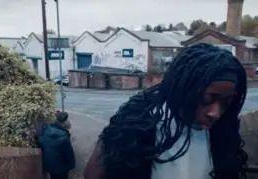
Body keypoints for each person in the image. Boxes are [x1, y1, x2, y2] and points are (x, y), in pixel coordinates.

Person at [84, 43, 248, 179]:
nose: (215, 113)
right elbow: (93, 174)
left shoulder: (223, 132)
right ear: (185, 89)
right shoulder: (136, 122)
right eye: (207, 99)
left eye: (226, 103)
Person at [38, 111, 75, 179]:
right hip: (61, 169)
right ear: (63, 123)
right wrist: (71, 165)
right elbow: (68, 155)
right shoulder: (63, 137)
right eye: (67, 120)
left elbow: (41, 143)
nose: (69, 121)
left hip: (49, 166)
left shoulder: (46, 130)